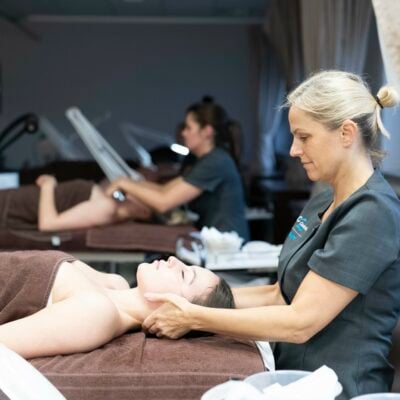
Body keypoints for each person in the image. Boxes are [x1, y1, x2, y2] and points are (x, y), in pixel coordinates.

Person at [141, 71, 400, 399]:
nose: (293, 150)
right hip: (292, 373)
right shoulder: (324, 198)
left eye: (304, 137)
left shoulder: (373, 213)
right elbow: (280, 293)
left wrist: (194, 317)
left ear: (347, 133)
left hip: (339, 386)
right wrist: (191, 297)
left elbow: (301, 321)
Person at [0, 252, 234, 359]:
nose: (174, 260)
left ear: (176, 308)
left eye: (184, 275)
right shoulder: (116, 284)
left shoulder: (95, 314)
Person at [106, 97, 250, 241]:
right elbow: (164, 190)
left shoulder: (216, 162)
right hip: (217, 242)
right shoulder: (202, 160)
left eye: (188, 128)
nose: (183, 133)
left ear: (207, 131)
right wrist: (132, 183)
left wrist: (124, 183)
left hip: (227, 247)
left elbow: (164, 202)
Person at [0, 175, 152, 231]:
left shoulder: (107, 207)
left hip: (12, 208)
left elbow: (49, 224)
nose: (136, 187)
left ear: (144, 212)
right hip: (12, 203)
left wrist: (48, 186)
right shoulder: (110, 201)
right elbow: (109, 185)